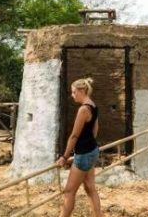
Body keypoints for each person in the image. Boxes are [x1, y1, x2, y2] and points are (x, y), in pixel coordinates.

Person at [56, 78, 101, 217]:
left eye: (74, 92)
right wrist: (90, 144)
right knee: (90, 188)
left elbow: (74, 136)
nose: (72, 95)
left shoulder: (83, 109)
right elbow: (95, 129)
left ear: (82, 91)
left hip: (84, 154)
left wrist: (64, 157)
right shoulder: (93, 105)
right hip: (93, 151)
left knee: (69, 191)